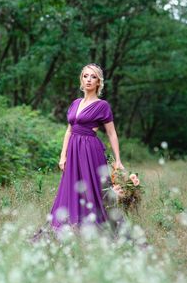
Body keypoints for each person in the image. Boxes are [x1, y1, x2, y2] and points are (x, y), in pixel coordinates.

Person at [32, 63, 124, 241]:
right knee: (71, 188)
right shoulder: (75, 103)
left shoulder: (102, 105)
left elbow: (112, 133)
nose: (89, 79)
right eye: (86, 76)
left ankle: (99, 227)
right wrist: (62, 155)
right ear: (81, 79)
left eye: (93, 77)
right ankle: (72, 225)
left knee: (93, 189)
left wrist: (118, 160)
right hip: (73, 150)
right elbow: (69, 130)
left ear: (98, 82)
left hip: (91, 151)